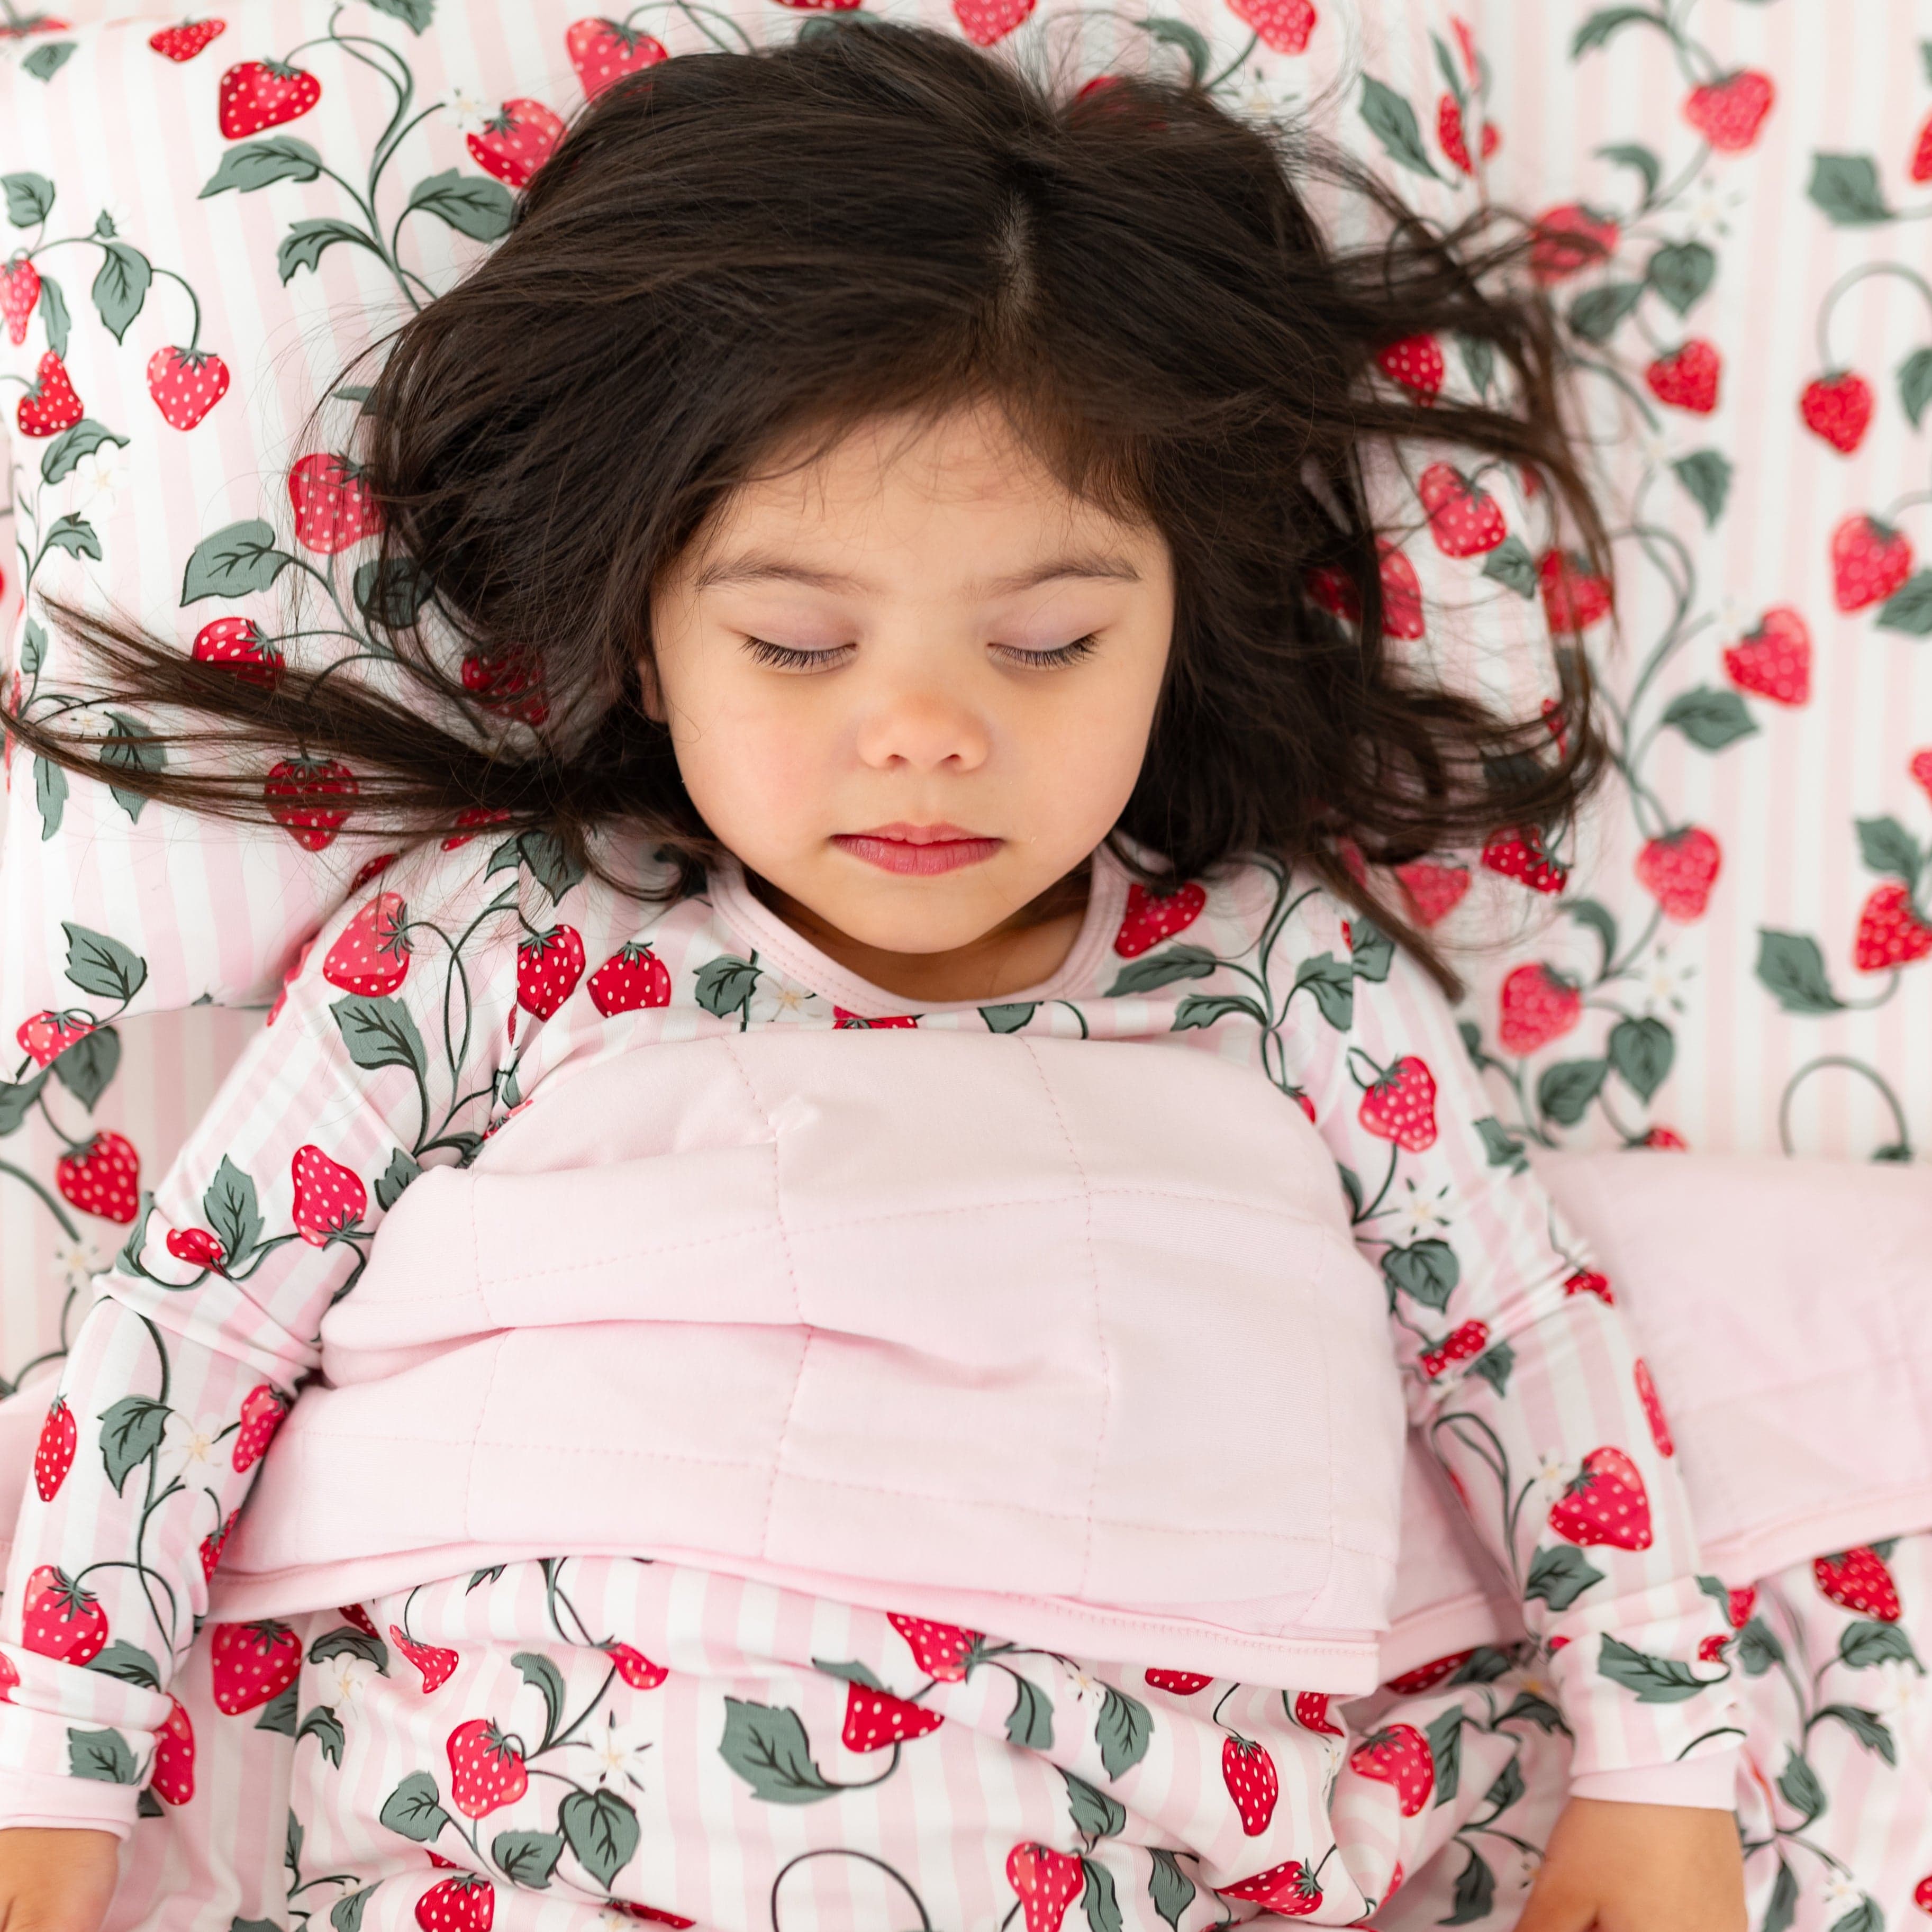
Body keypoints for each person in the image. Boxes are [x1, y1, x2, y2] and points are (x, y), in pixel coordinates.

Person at [0, 19, 1753, 1930]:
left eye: (1048, 642)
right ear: (646, 637)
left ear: (1174, 621)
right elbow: (194, 1329)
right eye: (799, 644)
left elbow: (1512, 1333)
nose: (924, 733)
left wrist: (1659, 1754)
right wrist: (51, 1772)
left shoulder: (1280, 976)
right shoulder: (493, 939)